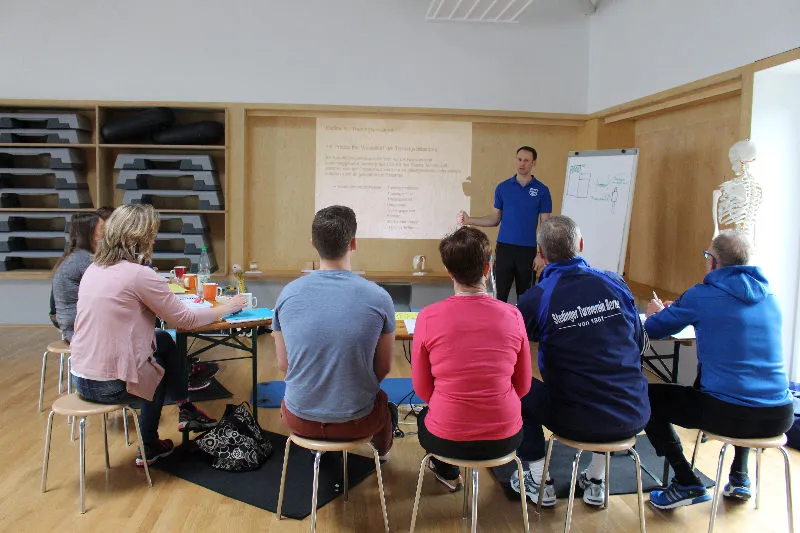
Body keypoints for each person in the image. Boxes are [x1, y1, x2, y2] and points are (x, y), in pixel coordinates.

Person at [69, 204, 246, 466]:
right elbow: (184, 320)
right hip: (108, 386)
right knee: (158, 372)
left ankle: (185, 406)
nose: (154, 240)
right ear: (140, 238)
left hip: (81, 376)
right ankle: (149, 445)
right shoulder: (138, 274)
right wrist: (226, 308)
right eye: (152, 235)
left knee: (162, 340)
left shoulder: (95, 268)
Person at [644, 230, 793, 509]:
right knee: (743, 383)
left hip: (731, 414)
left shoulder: (702, 295)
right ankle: (739, 477)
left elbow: (652, 329)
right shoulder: (770, 295)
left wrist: (657, 312)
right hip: (780, 415)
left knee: (647, 398)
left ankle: (686, 481)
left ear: (712, 261)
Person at [514, 215, 650, 507]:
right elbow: (639, 344)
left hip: (574, 420)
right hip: (632, 415)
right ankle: (595, 479)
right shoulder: (616, 283)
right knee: (606, 388)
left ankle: (539, 480)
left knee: (517, 386)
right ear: (582, 245)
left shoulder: (536, 298)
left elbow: (510, 350)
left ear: (540, 253)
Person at [412, 226, 532, 491]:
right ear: (488, 268)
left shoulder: (428, 316)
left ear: (449, 272)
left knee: (424, 417)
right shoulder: (513, 316)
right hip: (505, 437)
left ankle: (448, 472)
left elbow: (422, 389)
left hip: (447, 438)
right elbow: (523, 387)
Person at [273, 205, 398, 457]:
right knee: (384, 404)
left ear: (314, 244)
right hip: (357, 422)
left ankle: (318, 449)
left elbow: (284, 364)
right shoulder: (379, 297)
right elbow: (383, 368)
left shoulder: (287, 294)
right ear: (353, 243)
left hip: (299, 419)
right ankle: (381, 453)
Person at [457, 146, 552, 303]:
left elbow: (545, 226)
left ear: (533, 163)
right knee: (499, 297)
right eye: (519, 159)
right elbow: (495, 219)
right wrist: (469, 220)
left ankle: (523, 320)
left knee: (526, 299)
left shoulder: (542, 190)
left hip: (528, 252)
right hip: (504, 250)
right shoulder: (503, 188)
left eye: (526, 160)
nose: (522, 163)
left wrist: (541, 254)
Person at [49, 207, 114, 331]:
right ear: (90, 233)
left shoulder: (79, 255)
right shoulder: (84, 260)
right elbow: (109, 289)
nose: (107, 233)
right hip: (78, 327)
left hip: (75, 322)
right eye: (102, 229)